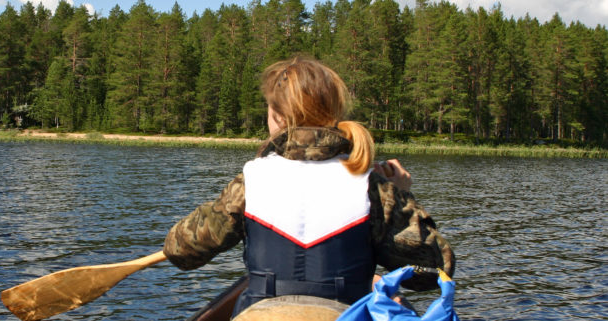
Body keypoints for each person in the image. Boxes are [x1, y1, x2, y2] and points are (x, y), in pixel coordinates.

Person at [162, 56, 455, 317]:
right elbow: (433, 272)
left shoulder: (249, 183)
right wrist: (401, 195)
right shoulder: (374, 188)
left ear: (277, 116)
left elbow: (180, 250)